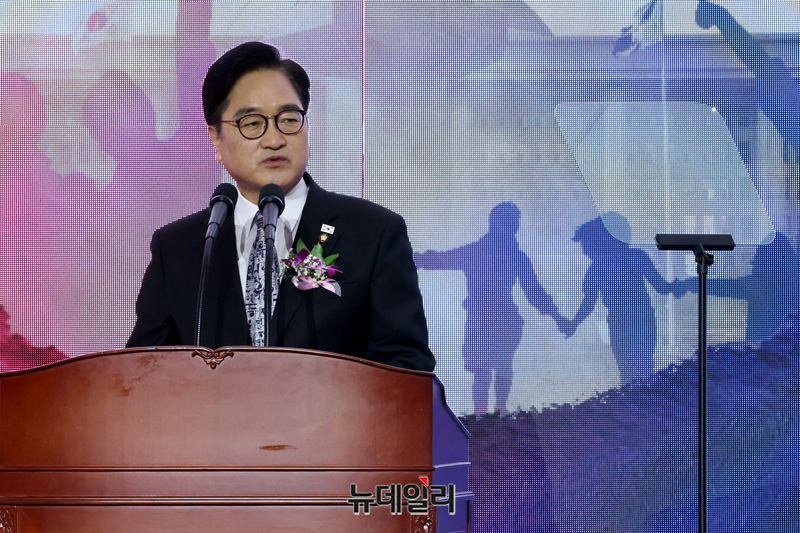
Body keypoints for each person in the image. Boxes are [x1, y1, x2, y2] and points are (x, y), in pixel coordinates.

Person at [126, 42, 434, 372]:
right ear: (215, 138)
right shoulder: (180, 248)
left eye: (289, 119)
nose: (274, 139)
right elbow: (140, 374)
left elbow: (407, 369)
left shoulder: (372, 232)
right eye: (252, 123)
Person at [414, 202, 568, 415]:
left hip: (493, 319)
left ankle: (492, 414)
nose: (513, 229)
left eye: (514, 224)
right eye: (510, 223)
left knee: (491, 368)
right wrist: (559, 318)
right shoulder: (494, 254)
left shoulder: (493, 254)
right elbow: (438, 260)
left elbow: (535, 293)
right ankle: (488, 415)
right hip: (492, 319)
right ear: (496, 224)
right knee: (489, 368)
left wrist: (558, 317)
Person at [564, 215, 685, 386]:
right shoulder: (636, 257)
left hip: (621, 322)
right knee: (644, 368)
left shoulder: (597, 268)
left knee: (628, 370)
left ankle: (634, 399)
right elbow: (662, 288)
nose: (585, 251)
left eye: (586, 246)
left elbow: (588, 303)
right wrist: (677, 286)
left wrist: (574, 323)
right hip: (641, 319)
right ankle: (644, 398)